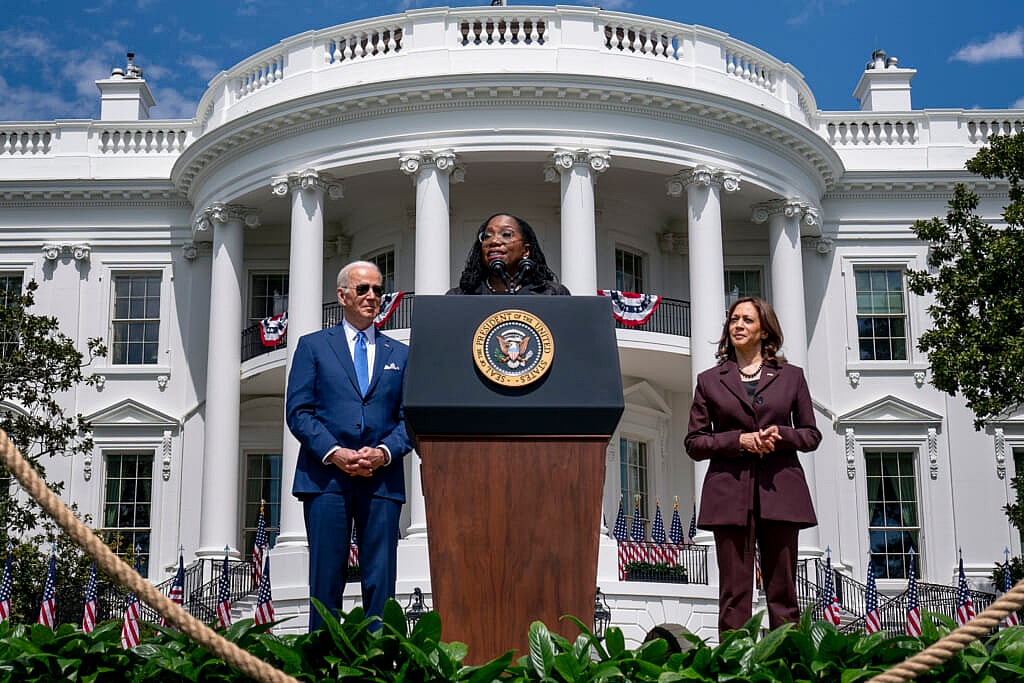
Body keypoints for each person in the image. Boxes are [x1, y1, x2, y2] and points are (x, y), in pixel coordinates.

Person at [286, 260, 412, 631]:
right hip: (325, 479)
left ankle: (376, 664)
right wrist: (335, 452)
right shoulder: (312, 347)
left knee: (381, 580)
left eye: (378, 290)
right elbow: (299, 412)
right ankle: (323, 663)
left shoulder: (400, 354)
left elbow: (410, 419)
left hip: (381, 479)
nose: (372, 297)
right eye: (363, 290)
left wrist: (384, 452)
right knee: (325, 578)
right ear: (342, 296)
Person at [684, 297, 821, 634]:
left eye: (747, 320)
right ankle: (734, 667)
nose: (738, 326)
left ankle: (787, 665)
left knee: (783, 594)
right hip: (728, 495)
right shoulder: (709, 380)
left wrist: (782, 436)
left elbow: (811, 434)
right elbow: (695, 442)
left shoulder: (791, 377)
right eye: (733, 320)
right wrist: (738, 441)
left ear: (764, 330)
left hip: (781, 493)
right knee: (733, 593)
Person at [447, 213, 570, 295]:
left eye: (506, 234)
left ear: (526, 251)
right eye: (487, 236)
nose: (494, 241)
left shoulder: (551, 293)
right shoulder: (460, 296)